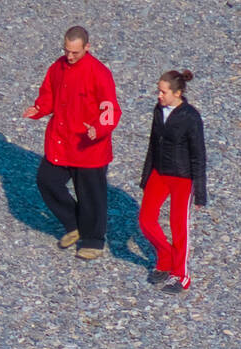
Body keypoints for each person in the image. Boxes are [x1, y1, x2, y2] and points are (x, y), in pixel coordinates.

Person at [22, 27, 121, 260]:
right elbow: (49, 95)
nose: (69, 56)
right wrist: (39, 109)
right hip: (62, 141)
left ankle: (94, 240)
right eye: (66, 51)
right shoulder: (57, 67)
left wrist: (98, 129)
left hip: (89, 145)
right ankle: (73, 223)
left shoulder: (99, 73)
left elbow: (110, 109)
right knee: (47, 181)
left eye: (75, 52)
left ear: (87, 47)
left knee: (91, 194)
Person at [138, 69, 207, 292]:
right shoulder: (158, 110)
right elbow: (152, 144)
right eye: (159, 90)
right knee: (146, 220)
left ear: (177, 93)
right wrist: (146, 177)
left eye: (163, 91)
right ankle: (165, 256)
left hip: (182, 178)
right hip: (159, 172)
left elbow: (198, 154)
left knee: (180, 228)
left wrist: (200, 191)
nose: (159, 95)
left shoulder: (191, 117)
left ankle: (181, 276)